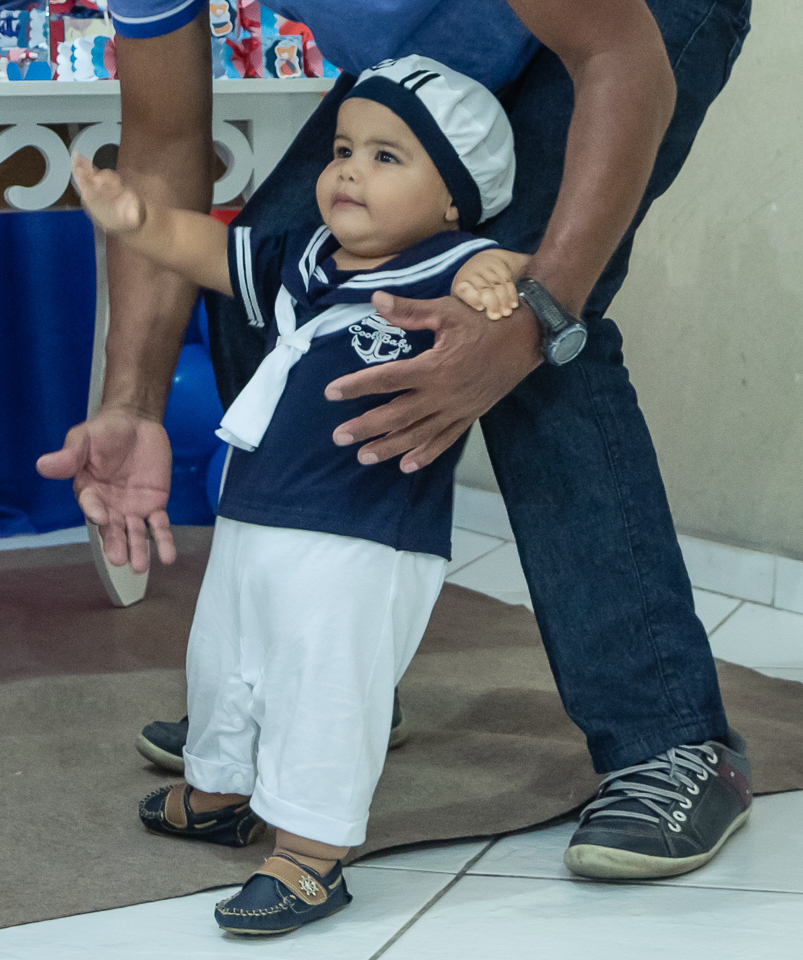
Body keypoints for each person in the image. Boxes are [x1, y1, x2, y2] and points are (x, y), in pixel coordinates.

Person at [37, 0, 754, 890]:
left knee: (511, 336)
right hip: (441, 49)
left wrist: (538, 317)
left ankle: (668, 739)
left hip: (632, 22)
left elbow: (619, 55)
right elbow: (165, 139)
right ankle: (331, 679)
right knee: (277, 283)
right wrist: (131, 403)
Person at [72, 55, 531, 936]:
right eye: (343, 148)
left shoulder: (452, 264)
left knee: (325, 683)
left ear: (453, 197)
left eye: (387, 157)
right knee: (228, 659)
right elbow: (208, 250)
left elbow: (521, 270)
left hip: (362, 534)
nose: (349, 169)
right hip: (259, 514)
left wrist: (498, 273)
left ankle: (312, 858)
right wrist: (138, 220)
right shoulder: (308, 258)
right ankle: (220, 791)